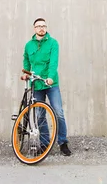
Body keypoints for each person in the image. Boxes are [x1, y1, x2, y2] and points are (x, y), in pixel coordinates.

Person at [20, 17, 72, 156]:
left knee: (58, 112)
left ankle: (63, 143)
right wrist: (26, 73)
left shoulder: (53, 43)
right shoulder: (28, 45)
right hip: (36, 84)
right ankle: (44, 144)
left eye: (43, 26)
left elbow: (53, 63)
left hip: (50, 83)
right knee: (39, 114)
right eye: (38, 26)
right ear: (34, 29)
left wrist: (50, 77)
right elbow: (26, 60)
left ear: (46, 28)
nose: (41, 28)